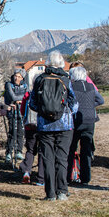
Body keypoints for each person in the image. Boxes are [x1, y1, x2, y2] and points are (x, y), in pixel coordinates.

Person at [29, 51, 78, 201]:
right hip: (64, 125)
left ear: (47, 63)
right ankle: (62, 191)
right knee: (62, 158)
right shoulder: (66, 79)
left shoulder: (39, 79)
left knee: (47, 159)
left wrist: (43, 112)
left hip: (45, 126)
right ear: (62, 63)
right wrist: (66, 112)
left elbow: (32, 103)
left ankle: (50, 193)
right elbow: (74, 103)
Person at [67, 66, 104, 185]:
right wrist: (89, 105)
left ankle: (67, 176)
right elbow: (101, 100)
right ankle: (86, 177)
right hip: (90, 120)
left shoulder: (71, 86)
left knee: (71, 148)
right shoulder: (90, 86)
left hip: (76, 120)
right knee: (86, 149)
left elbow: (68, 101)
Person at [18, 84, 45, 186]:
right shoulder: (45, 93)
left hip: (29, 126)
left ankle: (26, 172)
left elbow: (22, 110)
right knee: (42, 151)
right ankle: (41, 178)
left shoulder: (28, 94)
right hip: (43, 126)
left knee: (30, 150)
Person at [4, 68, 27, 162]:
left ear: (22, 78)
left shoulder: (25, 86)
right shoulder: (9, 85)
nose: (16, 78)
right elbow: (12, 96)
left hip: (21, 112)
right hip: (12, 111)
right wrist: (20, 99)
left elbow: (28, 95)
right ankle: (9, 152)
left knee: (20, 132)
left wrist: (20, 100)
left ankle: (19, 151)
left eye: (19, 77)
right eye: (15, 76)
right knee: (12, 132)